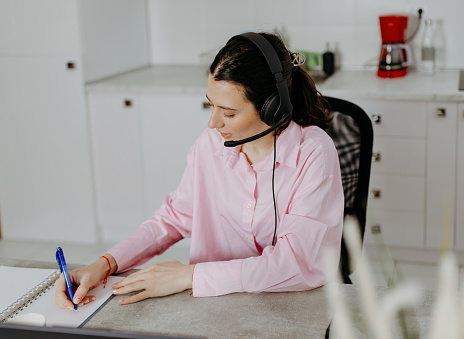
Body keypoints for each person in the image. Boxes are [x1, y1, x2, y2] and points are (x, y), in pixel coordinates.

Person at [55, 32, 344, 309]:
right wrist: (104, 264)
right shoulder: (210, 144)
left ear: (272, 108)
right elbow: (171, 219)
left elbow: (294, 263)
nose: (213, 123)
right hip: (211, 305)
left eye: (229, 113)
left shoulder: (313, 153)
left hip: (288, 306)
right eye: (211, 105)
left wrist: (187, 276)